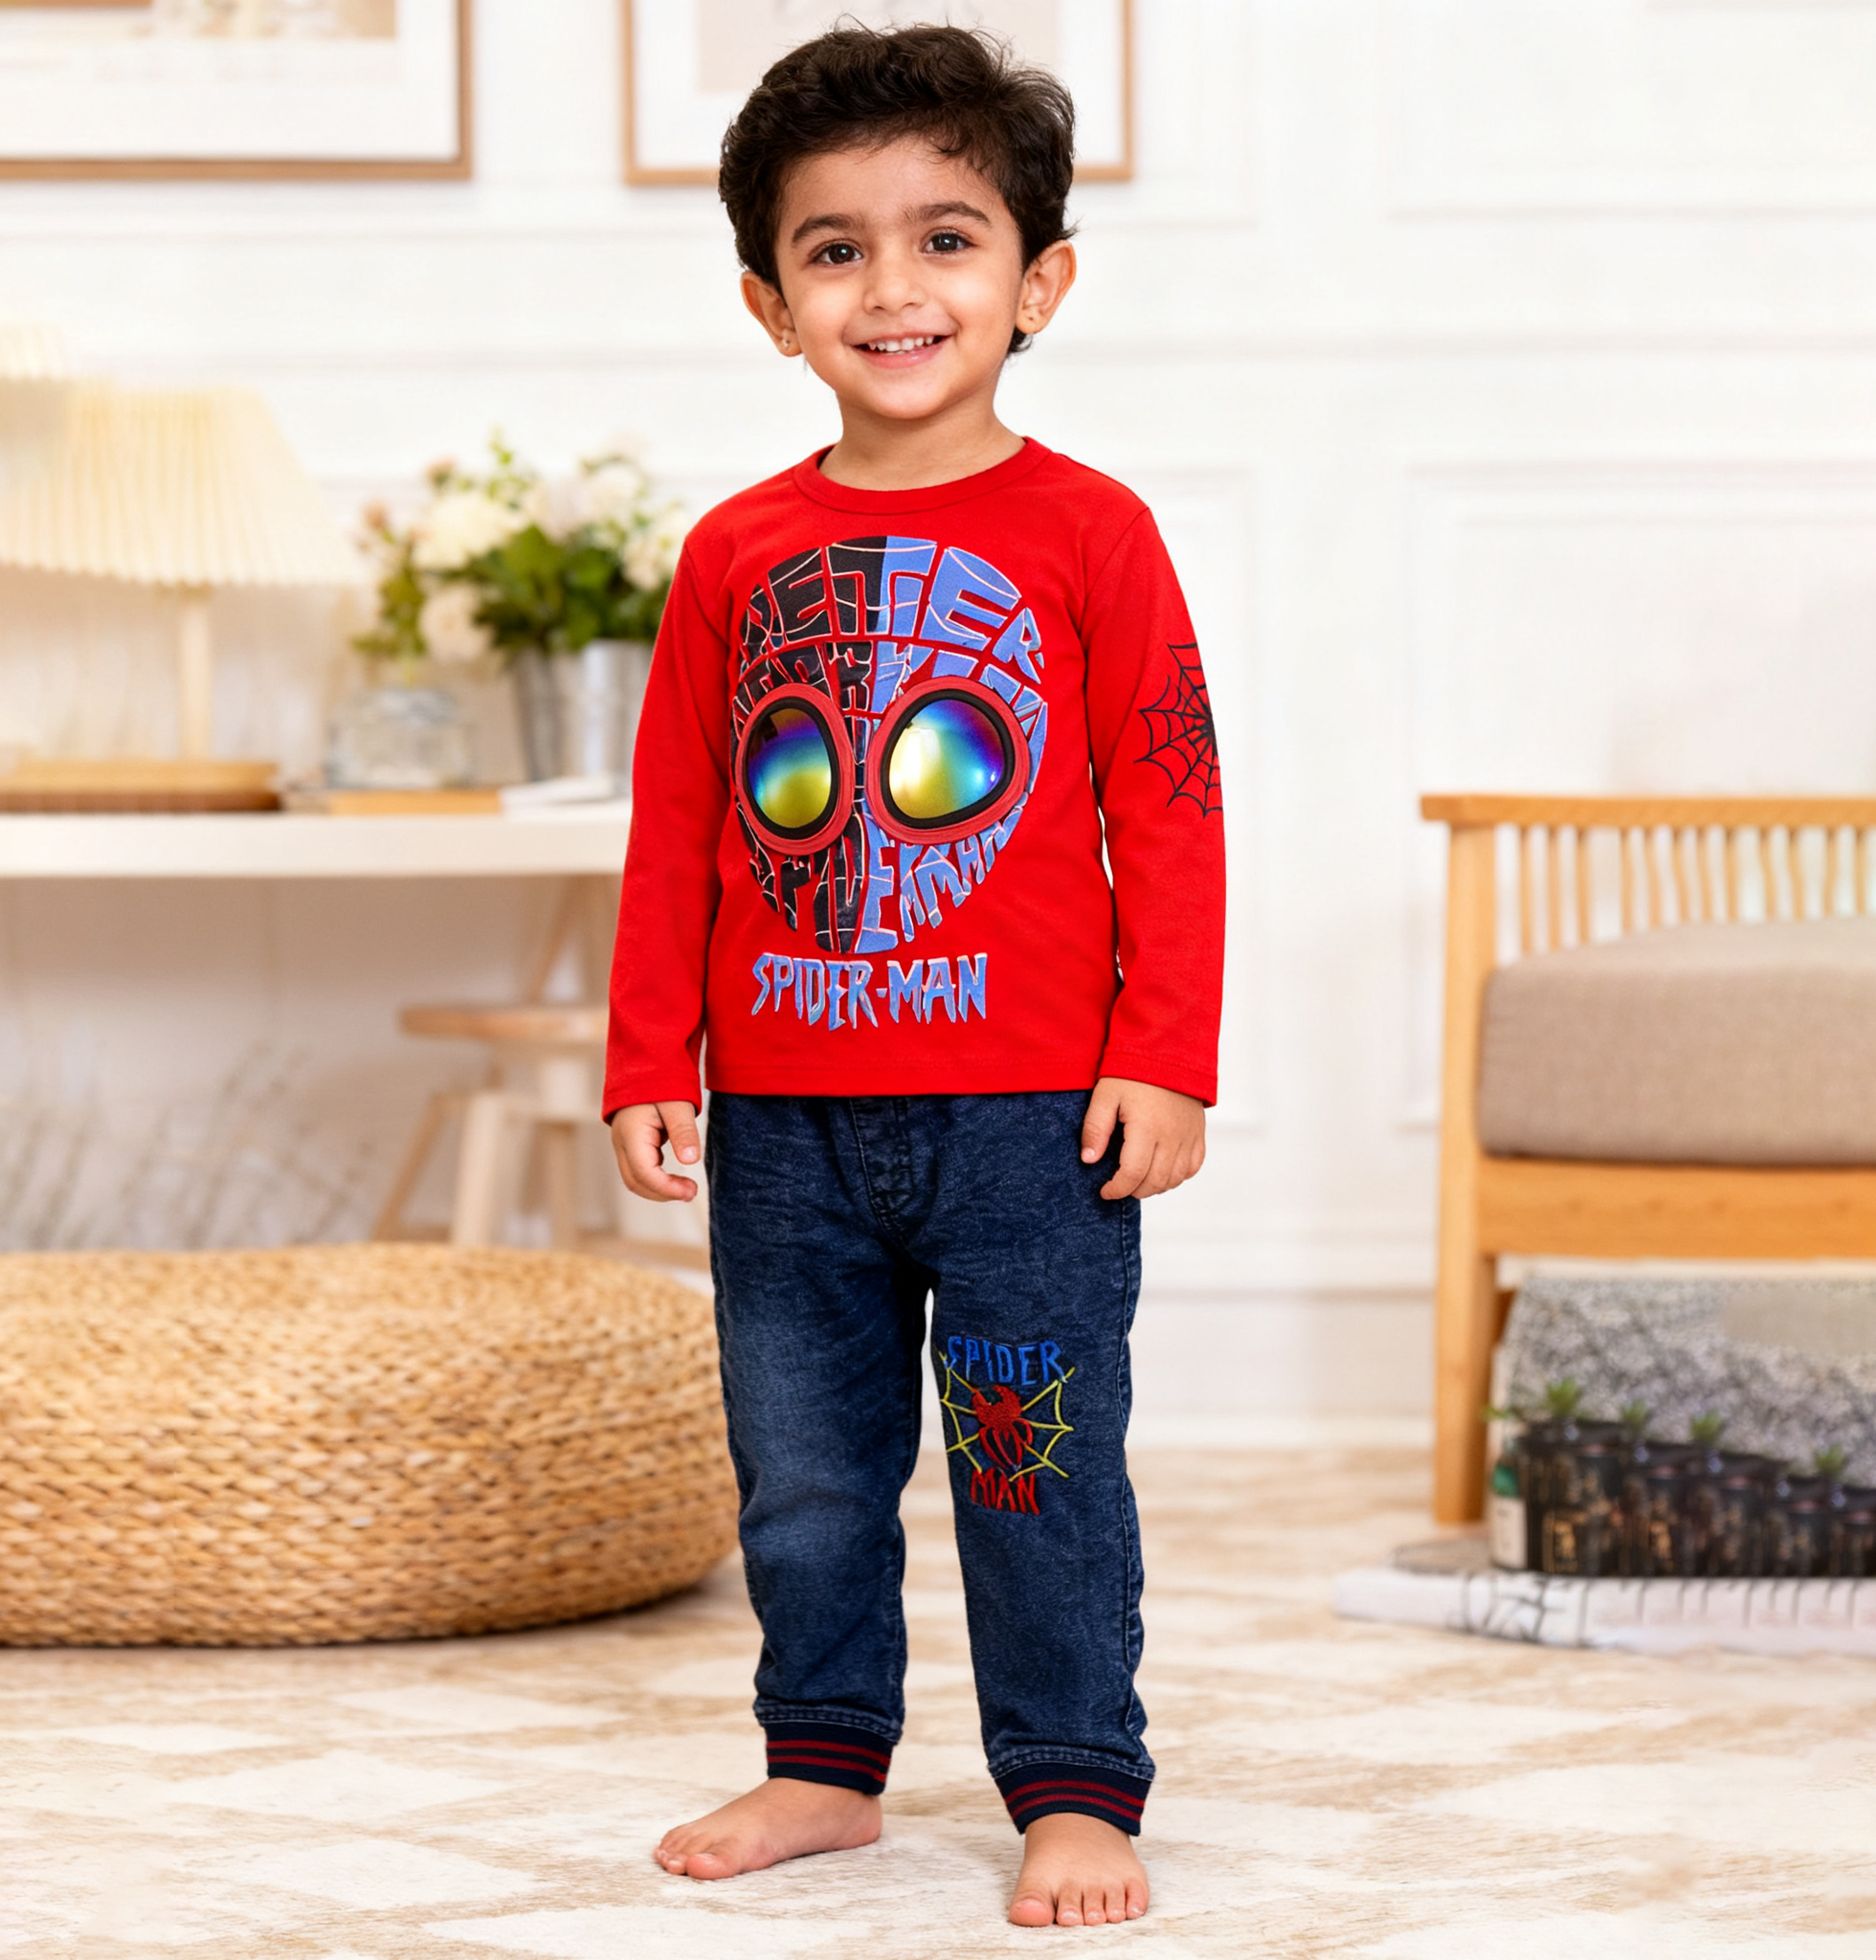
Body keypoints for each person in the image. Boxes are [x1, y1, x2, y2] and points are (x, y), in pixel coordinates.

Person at [603, 23, 1226, 1931]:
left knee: (1035, 1463)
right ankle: (823, 1763)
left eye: (947, 238)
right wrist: (653, 1051)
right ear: (766, 300)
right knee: (799, 1470)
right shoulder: (731, 555)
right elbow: (680, 823)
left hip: (1032, 1124)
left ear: (1039, 279)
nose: (895, 286)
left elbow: (1170, 807)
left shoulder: (1091, 532)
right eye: (837, 247)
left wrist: (1167, 1055)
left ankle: (1070, 1780)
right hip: (786, 1125)